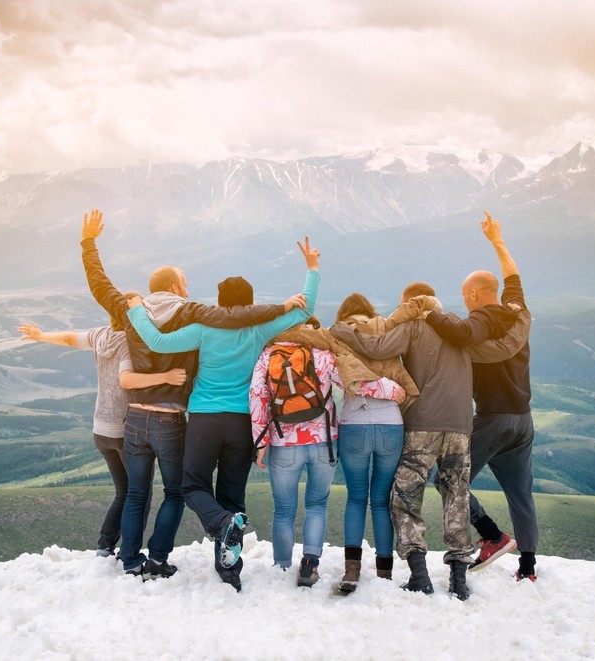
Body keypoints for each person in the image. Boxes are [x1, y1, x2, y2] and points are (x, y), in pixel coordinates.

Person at [79, 209, 298, 579]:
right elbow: (235, 316)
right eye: (185, 281)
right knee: (176, 492)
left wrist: (88, 244)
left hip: (134, 417)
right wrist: (283, 308)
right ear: (178, 287)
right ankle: (161, 558)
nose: (188, 286)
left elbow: (99, 285)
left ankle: (131, 562)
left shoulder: (131, 309)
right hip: (172, 417)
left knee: (135, 494)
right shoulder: (193, 312)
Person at [126, 238, 321, 592]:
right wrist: (312, 268)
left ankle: (221, 522)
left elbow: (155, 342)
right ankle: (229, 569)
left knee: (191, 485)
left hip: (204, 419)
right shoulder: (258, 328)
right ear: (249, 304)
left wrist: (137, 308)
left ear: (220, 303)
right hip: (241, 422)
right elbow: (306, 311)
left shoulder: (204, 329)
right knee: (232, 493)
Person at [330, 270, 528, 600]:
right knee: (457, 496)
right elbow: (500, 349)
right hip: (462, 425)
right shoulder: (461, 330)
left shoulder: (413, 327)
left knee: (406, 498)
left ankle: (420, 575)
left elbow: (377, 348)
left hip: (422, 423)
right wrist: (521, 315)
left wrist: (341, 331)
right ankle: (459, 581)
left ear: (409, 303)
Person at [249, 317, 405, 587]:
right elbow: (355, 383)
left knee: (284, 509)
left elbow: (257, 397)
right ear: (312, 329)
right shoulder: (322, 352)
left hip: (283, 442)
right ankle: (310, 563)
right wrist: (394, 390)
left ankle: (283, 567)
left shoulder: (268, 354)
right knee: (316, 504)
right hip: (323, 440)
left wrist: (260, 443)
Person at [424, 212, 538, 582]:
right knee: (521, 494)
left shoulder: (483, 320)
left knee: (448, 477)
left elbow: (458, 335)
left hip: (493, 418)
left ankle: (491, 534)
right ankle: (528, 568)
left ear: (473, 295)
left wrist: (428, 313)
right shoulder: (514, 310)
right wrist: (497, 241)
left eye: (464, 296)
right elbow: (513, 277)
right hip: (523, 419)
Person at [16, 319, 166, 557]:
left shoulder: (101, 336)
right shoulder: (128, 342)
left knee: (123, 492)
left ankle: (105, 546)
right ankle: (128, 551)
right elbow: (125, 379)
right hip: (122, 429)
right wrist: (166, 376)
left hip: (100, 428)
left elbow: (69, 338)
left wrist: (41, 335)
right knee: (140, 494)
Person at [329, 293, 421, 592]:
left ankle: (352, 571)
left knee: (356, 498)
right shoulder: (385, 331)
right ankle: (384, 572)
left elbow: (341, 378)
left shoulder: (338, 335)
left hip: (354, 422)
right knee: (381, 501)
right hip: (390, 424)